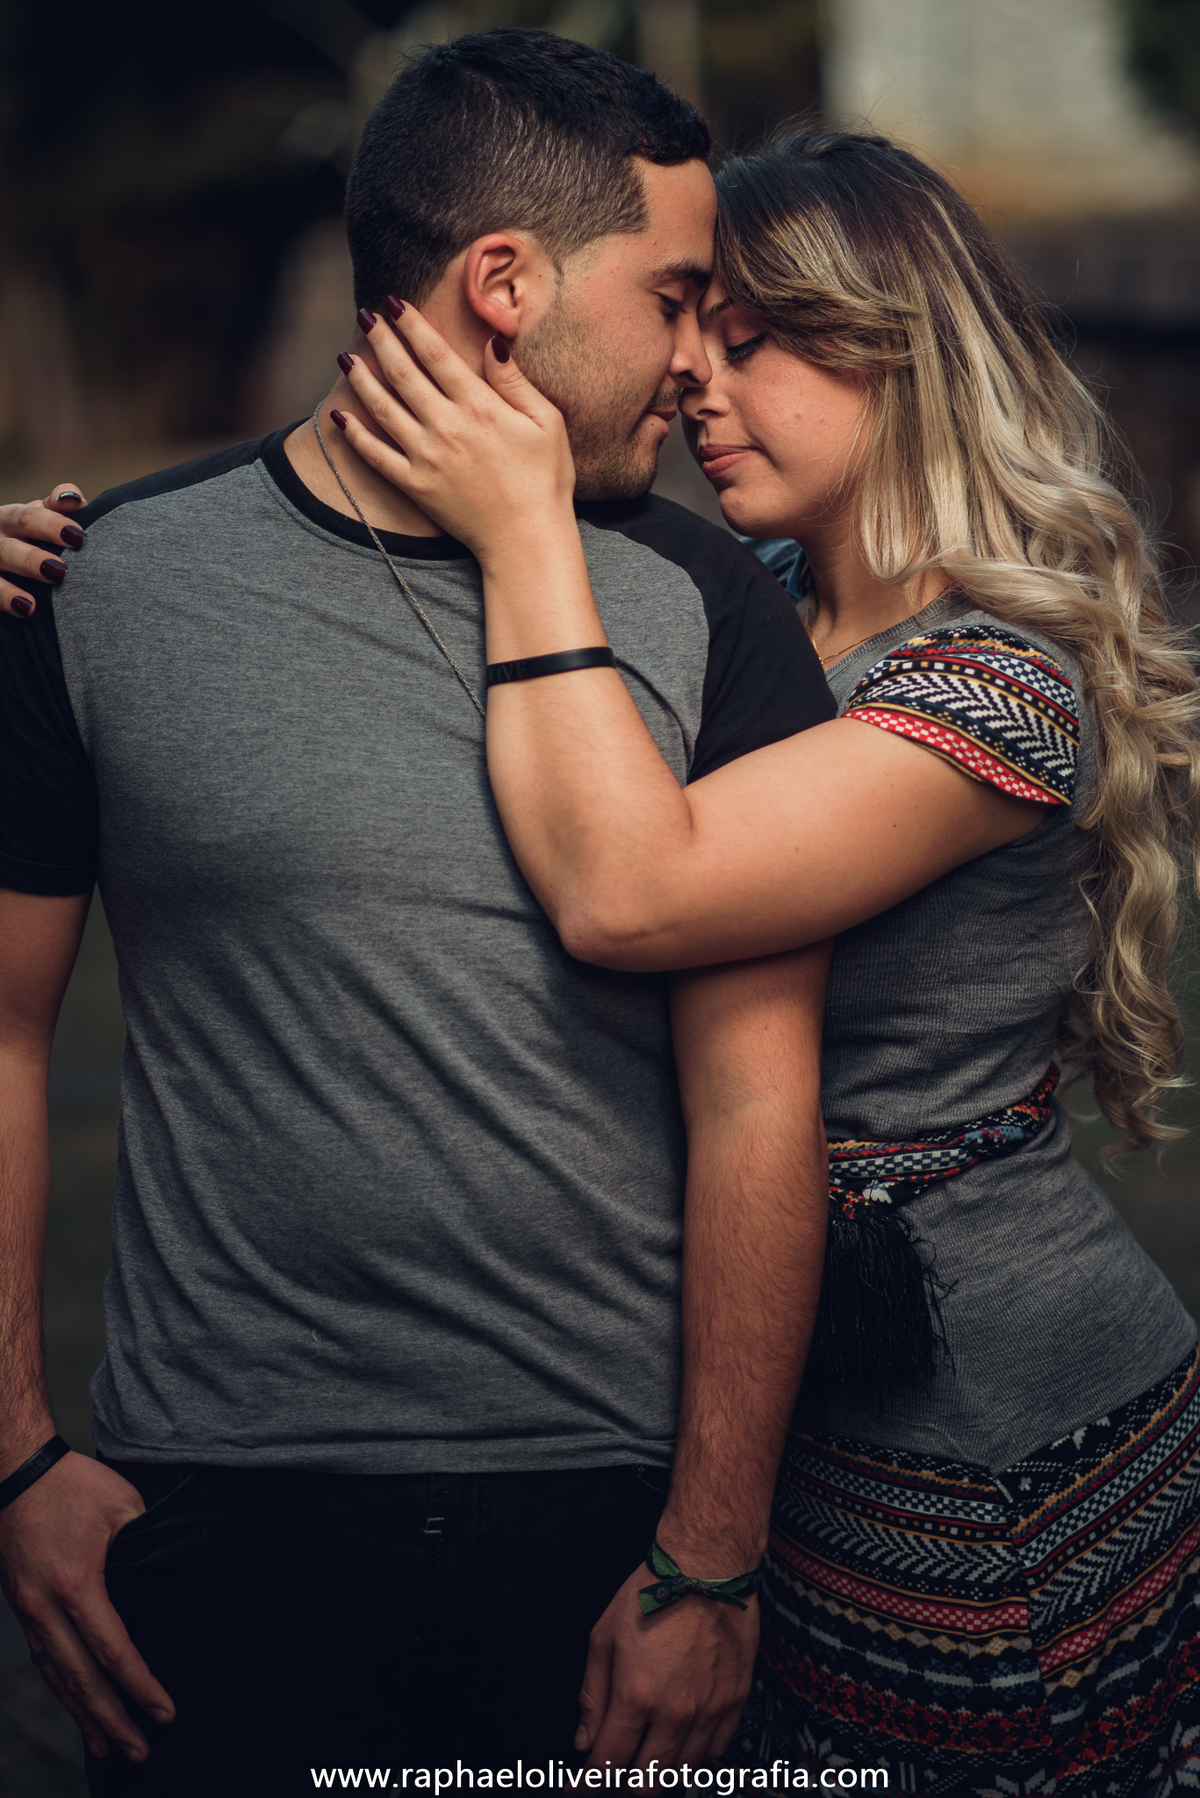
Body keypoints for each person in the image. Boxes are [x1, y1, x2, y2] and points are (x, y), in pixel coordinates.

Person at [0, 35, 840, 1793]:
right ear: (505, 285)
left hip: (605, 1526)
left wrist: (713, 1548)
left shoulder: (709, 609)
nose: (701, 359)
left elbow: (760, 1100)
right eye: (677, 296)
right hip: (213, 1522)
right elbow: (5, 1036)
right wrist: (15, 1455)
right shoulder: (98, 587)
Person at [320, 126, 1200, 1790]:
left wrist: (522, 537)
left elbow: (635, 892)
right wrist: (83, 577)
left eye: (755, 341)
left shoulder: (1000, 684)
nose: (694, 384)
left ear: (904, 351)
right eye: (688, 333)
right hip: (767, 1407)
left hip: (989, 1437)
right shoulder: (760, 612)